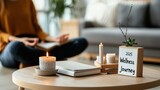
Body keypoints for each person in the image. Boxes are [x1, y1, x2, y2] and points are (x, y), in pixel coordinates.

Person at [0, 0, 88, 68]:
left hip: (35, 45)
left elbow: (38, 30)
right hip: (11, 46)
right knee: (16, 48)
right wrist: (19, 40)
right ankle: (50, 58)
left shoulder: (28, 1)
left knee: (81, 41)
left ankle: (42, 59)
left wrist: (54, 39)